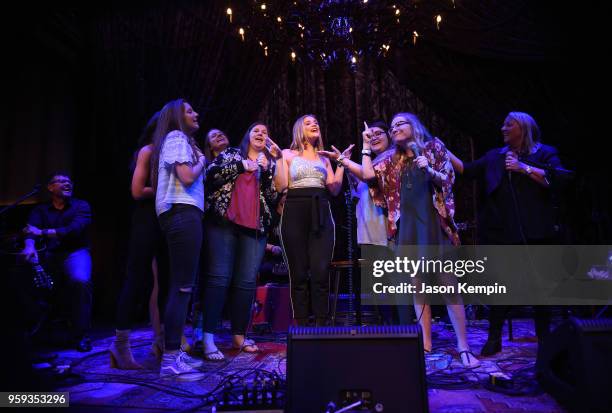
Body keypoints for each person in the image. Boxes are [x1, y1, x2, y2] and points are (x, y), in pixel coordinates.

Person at [362, 112, 480, 368]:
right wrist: (364, 147)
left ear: (413, 126)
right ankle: (425, 344)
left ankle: (463, 346)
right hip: (409, 229)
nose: (394, 129)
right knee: (419, 288)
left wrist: (430, 170)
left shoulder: (433, 146)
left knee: (449, 288)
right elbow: (369, 176)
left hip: (434, 225)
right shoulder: (392, 159)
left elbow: (448, 179)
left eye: (399, 124)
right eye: (391, 126)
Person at [448, 111, 562, 356]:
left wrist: (523, 168)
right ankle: (494, 339)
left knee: (541, 291)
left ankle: (546, 341)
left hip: (537, 233)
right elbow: (466, 171)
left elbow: (556, 180)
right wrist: (443, 150)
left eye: (508, 125)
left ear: (523, 128)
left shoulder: (545, 153)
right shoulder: (494, 156)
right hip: (502, 234)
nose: (503, 128)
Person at [200, 122, 282, 361]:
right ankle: (207, 337)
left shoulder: (268, 163)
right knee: (219, 278)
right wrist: (240, 166)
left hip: (255, 228)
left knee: (246, 282)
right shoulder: (231, 154)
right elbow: (210, 175)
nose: (261, 133)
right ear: (247, 136)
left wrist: (267, 172)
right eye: (256, 130)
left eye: (265, 132)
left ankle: (238, 335)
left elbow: (272, 198)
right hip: (223, 223)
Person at [276, 114, 351, 326]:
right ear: (299, 130)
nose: (314, 124)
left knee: (320, 271)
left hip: (321, 210)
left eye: (316, 122)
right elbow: (281, 186)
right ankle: (301, 324)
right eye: (308, 123)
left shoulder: (324, 158)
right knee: (298, 272)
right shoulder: (287, 154)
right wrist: (278, 160)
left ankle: (321, 323)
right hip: (295, 210)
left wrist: (341, 163)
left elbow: (335, 188)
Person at [151, 98, 206, 380]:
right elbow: (186, 176)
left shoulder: (181, 140)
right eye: (189, 110)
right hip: (182, 212)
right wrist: (203, 161)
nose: (196, 113)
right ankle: (170, 358)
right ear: (176, 116)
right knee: (182, 288)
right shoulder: (176, 137)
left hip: (182, 213)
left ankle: (173, 353)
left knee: (181, 287)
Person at [22, 172, 93, 352]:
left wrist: (43, 233)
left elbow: (73, 230)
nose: (66, 183)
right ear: (50, 187)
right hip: (50, 254)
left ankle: (81, 335)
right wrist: (29, 246)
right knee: (28, 282)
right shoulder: (40, 210)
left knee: (80, 281)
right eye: (61, 181)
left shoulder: (81, 206)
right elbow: (31, 230)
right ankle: (34, 333)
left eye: (69, 181)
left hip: (75, 252)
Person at [191, 128, 231, 350]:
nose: (219, 136)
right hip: (212, 222)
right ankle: (199, 329)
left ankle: (221, 327)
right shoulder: (205, 165)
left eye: (221, 134)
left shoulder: (238, 158)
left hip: (234, 224)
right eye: (214, 136)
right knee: (208, 277)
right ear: (209, 146)